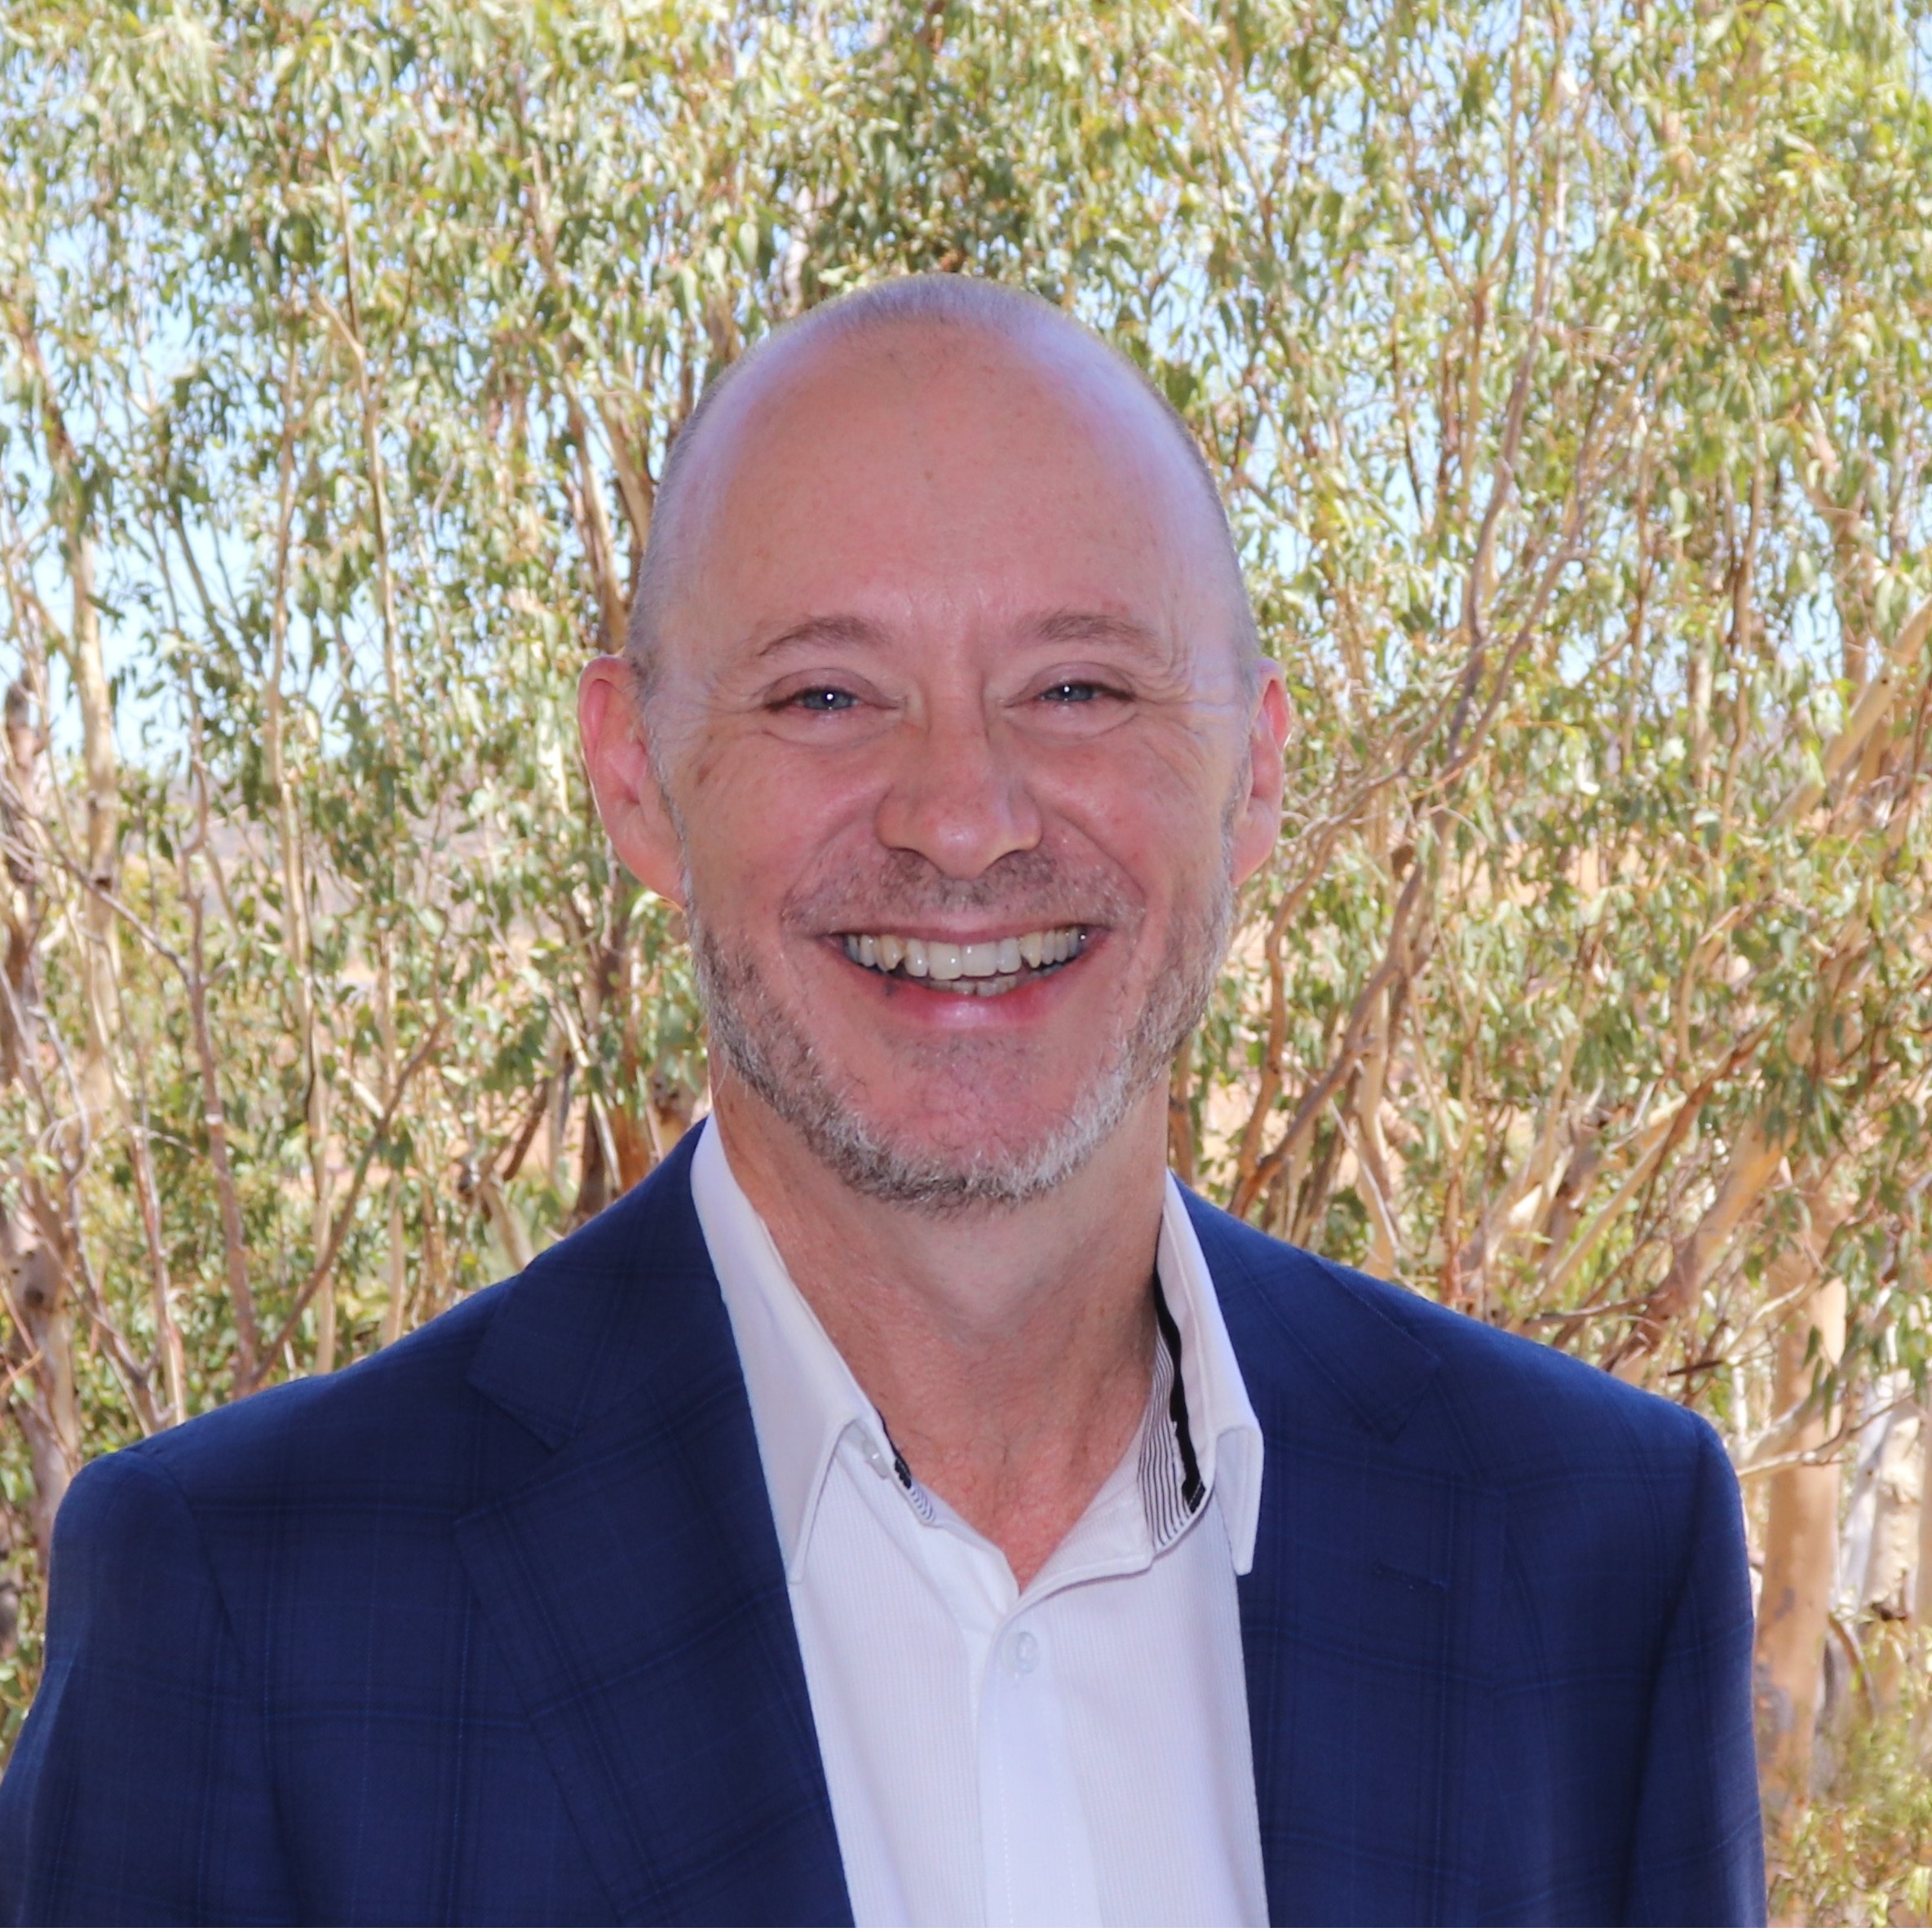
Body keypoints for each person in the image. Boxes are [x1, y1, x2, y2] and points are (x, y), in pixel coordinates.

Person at [0, 276, 1762, 1928]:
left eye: (1077, 687)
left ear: (1254, 776)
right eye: (828, 694)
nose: (964, 819)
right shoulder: (253, 1614)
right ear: (636, 778)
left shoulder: (1592, 1555)